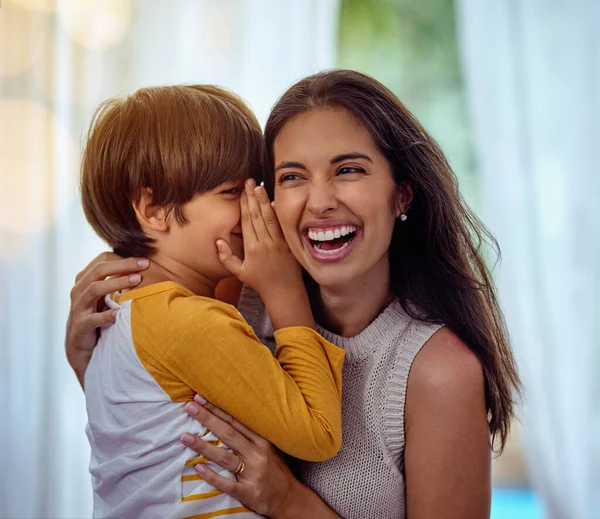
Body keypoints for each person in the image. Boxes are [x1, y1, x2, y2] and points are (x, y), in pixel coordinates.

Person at [66, 70, 521, 519]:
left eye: (348, 170)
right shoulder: (229, 294)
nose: (319, 201)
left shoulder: (440, 371)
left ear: (401, 194)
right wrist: (86, 358)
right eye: (291, 177)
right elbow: (155, 436)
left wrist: (290, 504)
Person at [77, 84, 345, 519]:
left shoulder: (122, 309)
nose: (260, 207)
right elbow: (318, 433)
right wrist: (285, 291)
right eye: (230, 191)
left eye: (257, 187)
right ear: (154, 209)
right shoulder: (187, 322)